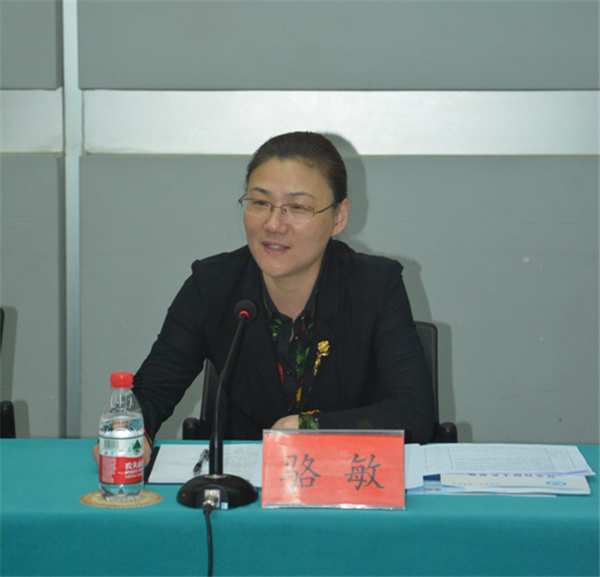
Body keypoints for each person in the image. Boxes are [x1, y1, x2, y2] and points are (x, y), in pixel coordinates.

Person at [94, 131, 435, 467]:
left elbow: (414, 413)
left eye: (297, 207)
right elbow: (152, 391)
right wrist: (129, 431)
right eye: (260, 203)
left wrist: (307, 427)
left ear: (339, 216)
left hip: (347, 480)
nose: (273, 224)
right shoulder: (212, 285)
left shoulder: (375, 286)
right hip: (241, 490)